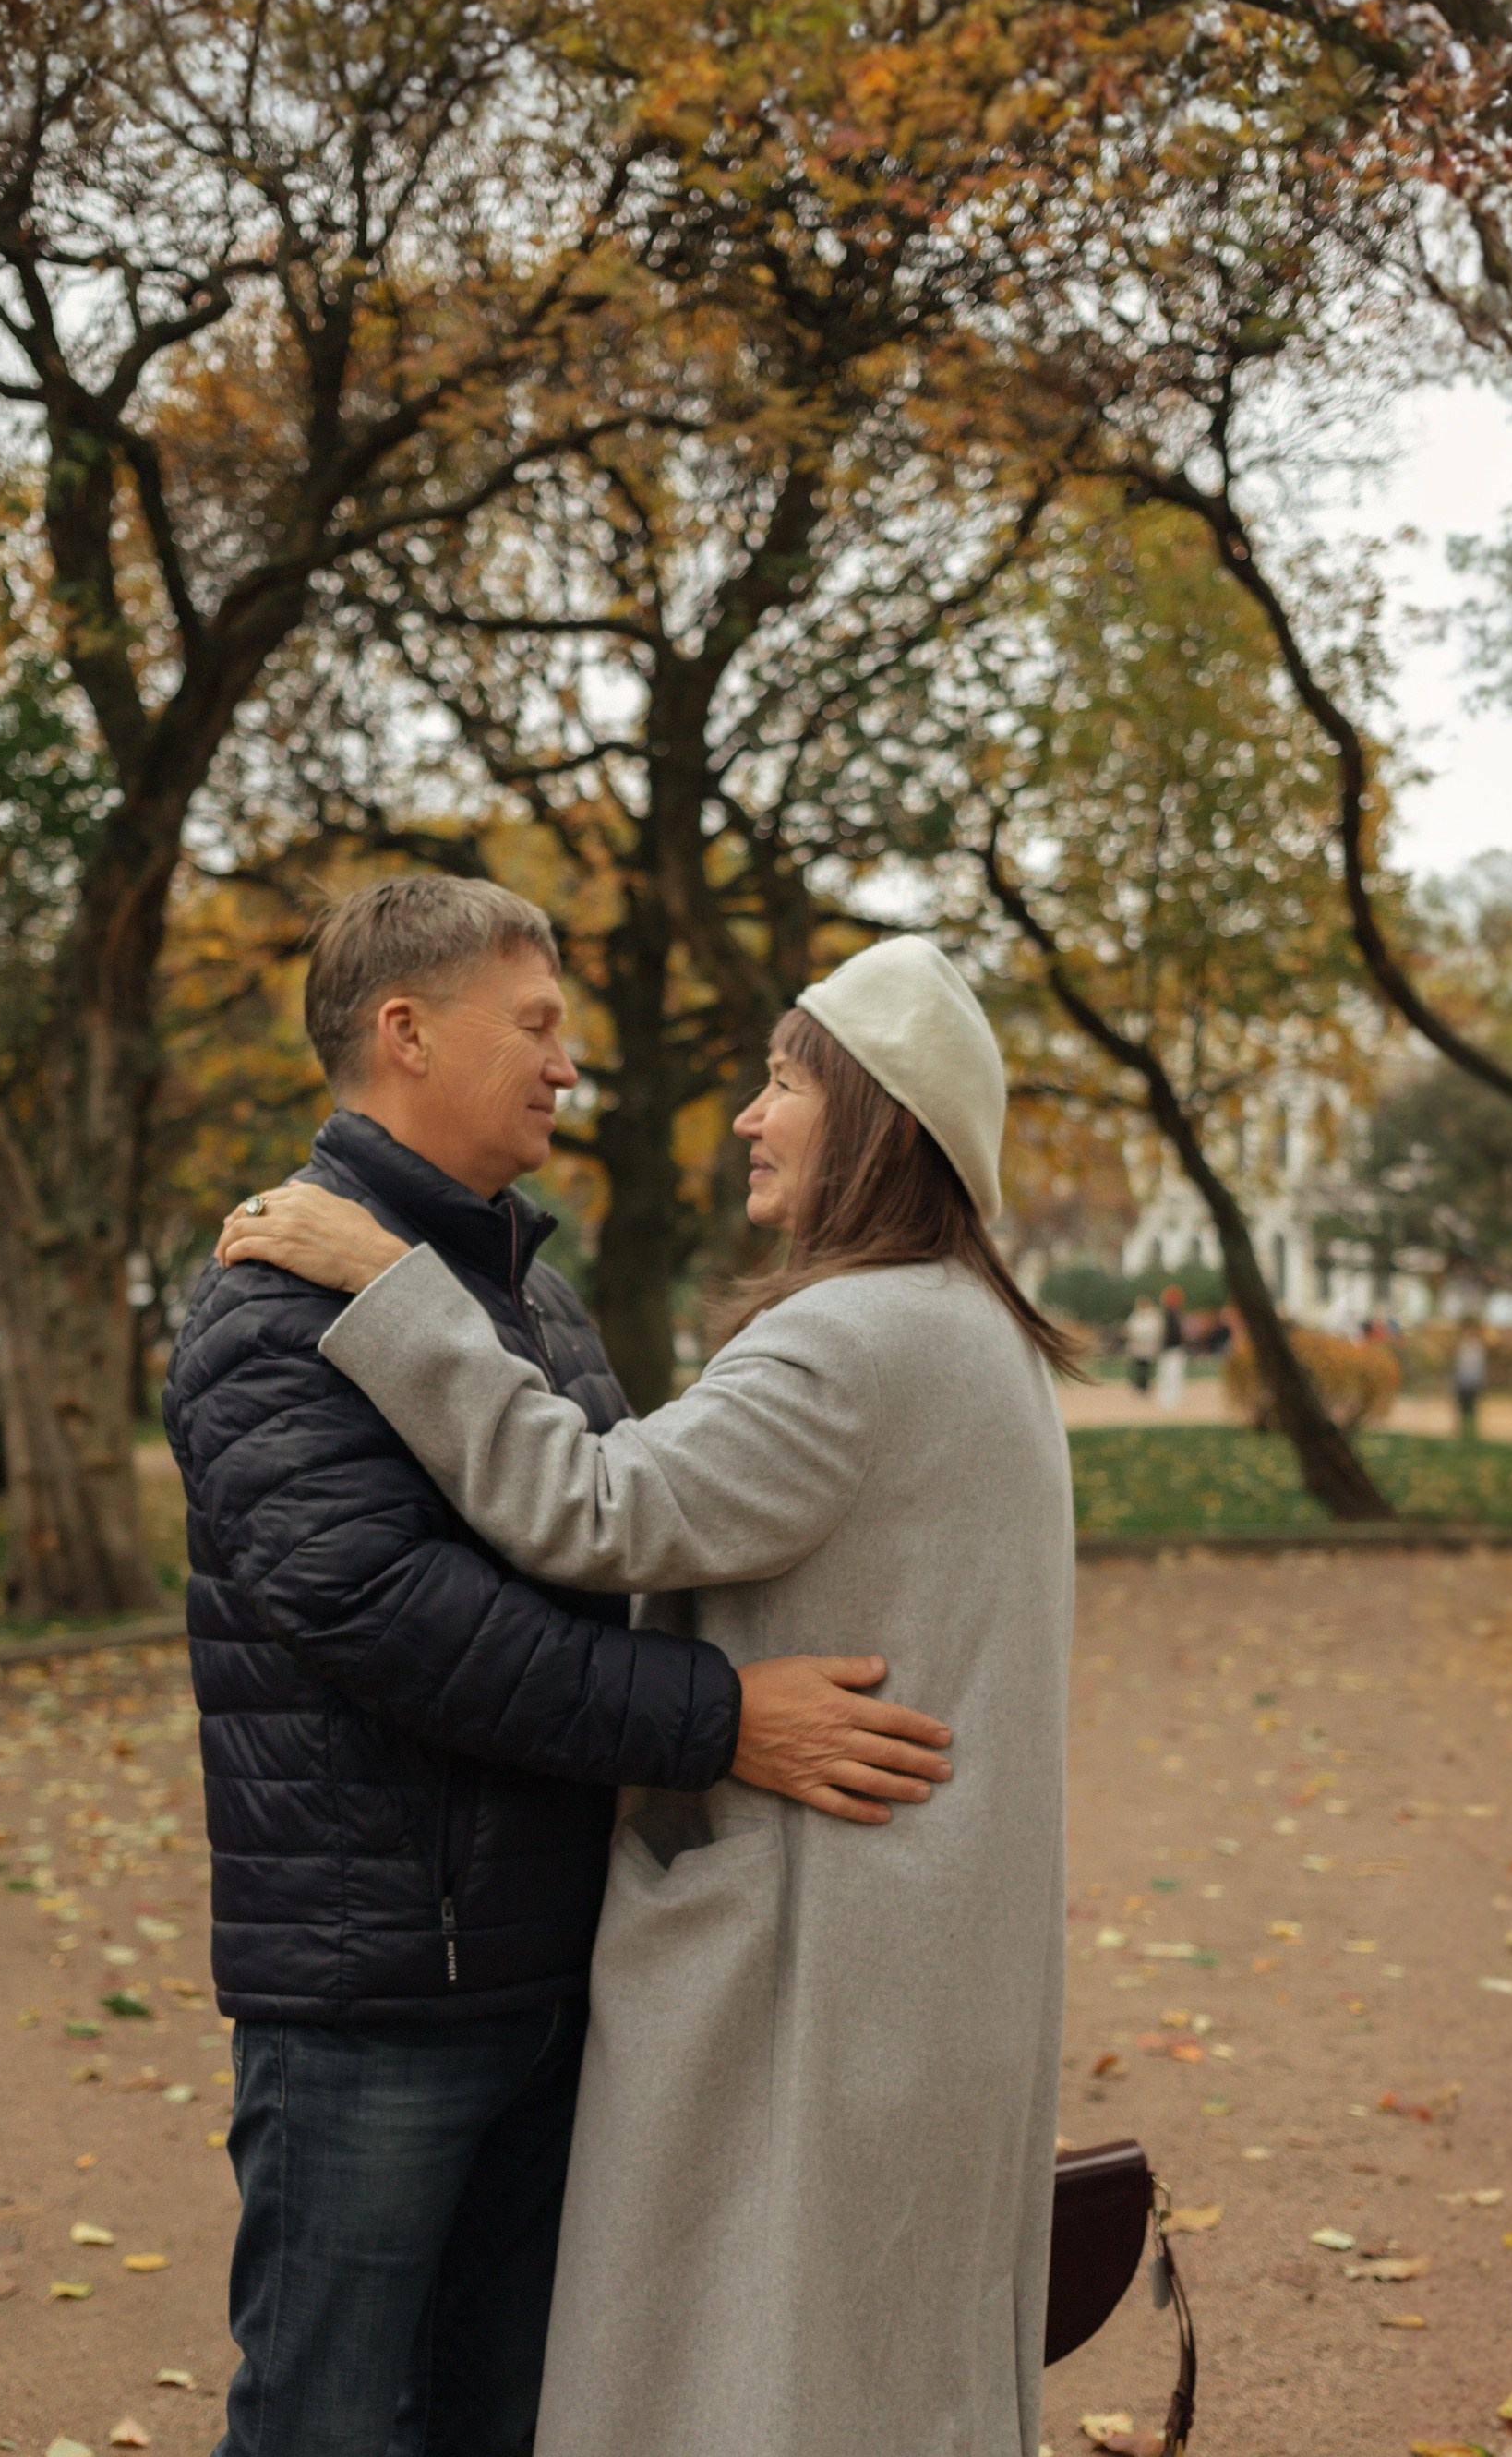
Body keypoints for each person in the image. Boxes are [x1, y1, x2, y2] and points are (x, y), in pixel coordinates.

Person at [219, 933, 1080, 2457]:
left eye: (785, 1083)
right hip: (902, 1944)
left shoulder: (849, 1338)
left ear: (875, 1116)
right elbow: (394, 1585)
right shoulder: (978, 1332)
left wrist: (392, 1286)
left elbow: (593, 1506)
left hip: (822, 1946)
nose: (747, 1115)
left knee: (766, 2375)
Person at [1453, 1319, 1489, 1439]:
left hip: (1473, 1381)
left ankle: (1472, 1433)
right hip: (1462, 1381)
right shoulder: (1461, 1345)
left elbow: (1480, 1366)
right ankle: (1462, 1433)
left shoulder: (1478, 1346)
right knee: (1461, 1408)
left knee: (1472, 1408)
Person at [1157, 1281, 1188, 1408]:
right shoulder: (1169, 1315)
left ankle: (1170, 1399)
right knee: (1170, 1375)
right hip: (1170, 1349)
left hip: (1172, 1349)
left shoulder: (1172, 1314)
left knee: (1171, 1374)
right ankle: (1168, 1399)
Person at [1125, 1290, 1164, 1392]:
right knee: (1137, 1366)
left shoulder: (1152, 1316)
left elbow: (1156, 1330)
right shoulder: (1135, 1316)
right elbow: (1130, 1329)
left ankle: (1144, 1386)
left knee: (1146, 1367)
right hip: (1137, 1345)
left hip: (1148, 1345)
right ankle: (1137, 1384)